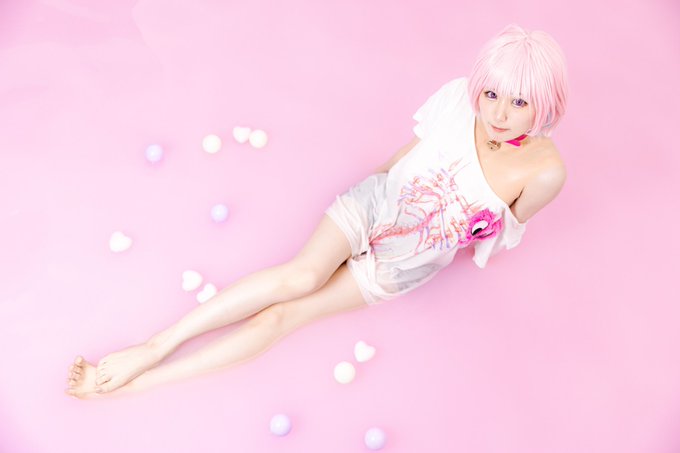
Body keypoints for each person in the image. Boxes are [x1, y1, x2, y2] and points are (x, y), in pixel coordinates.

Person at [65, 23, 569, 399]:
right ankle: (153, 347)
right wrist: (370, 195)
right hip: (379, 203)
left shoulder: (546, 172)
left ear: (544, 103)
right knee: (301, 276)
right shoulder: (458, 98)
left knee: (281, 318)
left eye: (518, 102)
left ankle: (135, 385)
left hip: (406, 262)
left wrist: (442, 230)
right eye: (491, 94)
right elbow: (410, 152)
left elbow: (501, 228)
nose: (498, 113)